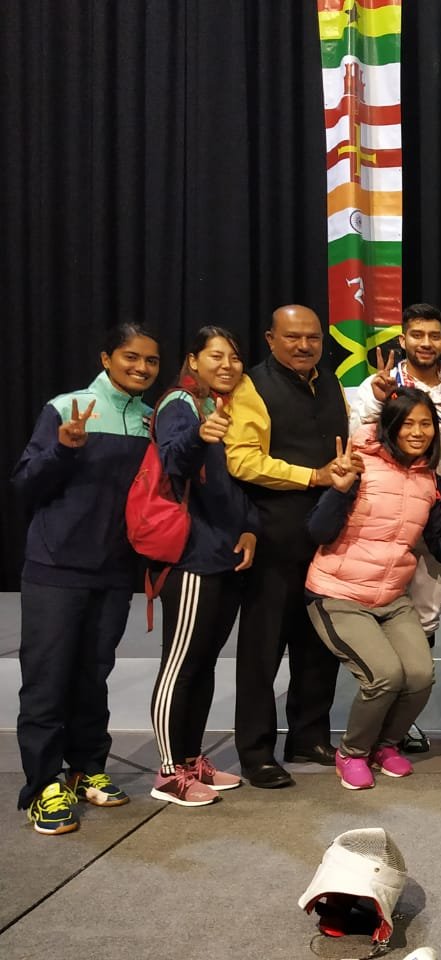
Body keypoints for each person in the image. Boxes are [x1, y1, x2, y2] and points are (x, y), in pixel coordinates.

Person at [13, 323, 160, 834]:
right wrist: (64, 449)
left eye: (151, 360)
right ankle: (42, 786)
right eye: (130, 357)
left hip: (114, 571)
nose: (141, 367)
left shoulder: (150, 420)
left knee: (93, 675)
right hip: (55, 569)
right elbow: (25, 483)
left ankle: (85, 768)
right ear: (106, 358)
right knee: (47, 680)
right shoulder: (66, 408)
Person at [305, 389, 441, 790]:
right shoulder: (360, 463)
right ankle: (352, 752)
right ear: (390, 426)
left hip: (391, 597)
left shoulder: (430, 479)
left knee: (421, 676)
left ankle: (385, 746)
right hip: (338, 592)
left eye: (425, 424)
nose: (417, 432)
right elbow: (318, 531)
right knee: (384, 676)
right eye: (407, 423)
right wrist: (339, 490)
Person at [223, 304, 348, 789]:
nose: (304, 345)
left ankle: (308, 737)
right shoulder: (251, 386)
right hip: (273, 537)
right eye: (293, 337)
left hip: (327, 538)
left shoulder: (332, 383)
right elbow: (242, 460)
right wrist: (312, 476)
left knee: (319, 645)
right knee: (263, 651)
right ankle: (256, 753)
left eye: (312, 337)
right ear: (270, 339)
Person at [148, 327, 259, 806]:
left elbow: (236, 485)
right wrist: (198, 435)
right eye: (216, 356)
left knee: (204, 662)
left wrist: (250, 528)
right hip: (192, 557)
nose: (227, 365)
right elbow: (171, 462)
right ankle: (168, 772)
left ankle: (192, 760)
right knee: (180, 664)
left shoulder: (223, 406)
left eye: (234, 357)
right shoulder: (182, 404)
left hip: (224, 555)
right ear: (193, 360)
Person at [348, 302, 441, 753]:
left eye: (434, 335)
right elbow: (357, 435)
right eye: (417, 335)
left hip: (437, 511)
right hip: (387, 515)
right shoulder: (379, 385)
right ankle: (379, 703)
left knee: (427, 614)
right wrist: (378, 399)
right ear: (403, 339)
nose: (425, 343)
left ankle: (402, 719)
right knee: (386, 607)